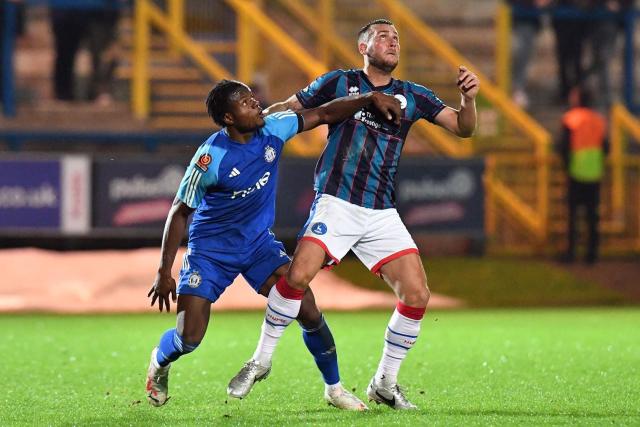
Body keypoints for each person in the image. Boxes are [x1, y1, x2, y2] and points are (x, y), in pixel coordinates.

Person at [228, 19, 479, 410]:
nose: (393, 42)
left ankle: (385, 382)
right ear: (363, 47)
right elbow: (286, 111)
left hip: (381, 211)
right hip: (337, 202)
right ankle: (260, 361)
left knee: (416, 294)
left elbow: (463, 128)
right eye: (383, 36)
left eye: (396, 37)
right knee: (297, 276)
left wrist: (469, 100)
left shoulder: (413, 96)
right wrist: (250, 130)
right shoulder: (338, 83)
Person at [145, 79, 401, 411]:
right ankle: (159, 363)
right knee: (189, 338)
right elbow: (180, 212)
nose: (254, 103)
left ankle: (334, 388)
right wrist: (165, 272)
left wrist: (368, 98)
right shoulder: (211, 157)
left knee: (306, 306)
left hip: (258, 248)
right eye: (244, 101)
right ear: (228, 118)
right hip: (211, 254)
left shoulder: (274, 128)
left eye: (253, 97)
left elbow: (323, 114)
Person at [558, 85, 607, 264]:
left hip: (576, 171)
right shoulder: (598, 120)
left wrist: (566, 164)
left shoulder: (571, 119)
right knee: (592, 216)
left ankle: (571, 253)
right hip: (595, 172)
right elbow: (606, 146)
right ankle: (592, 254)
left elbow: (563, 145)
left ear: (578, 99)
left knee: (573, 216)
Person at [509, 0, 552, 109]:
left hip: (534, 17)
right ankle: (517, 89)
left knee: (525, 51)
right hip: (521, 15)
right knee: (521, 50)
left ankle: (518, 89)